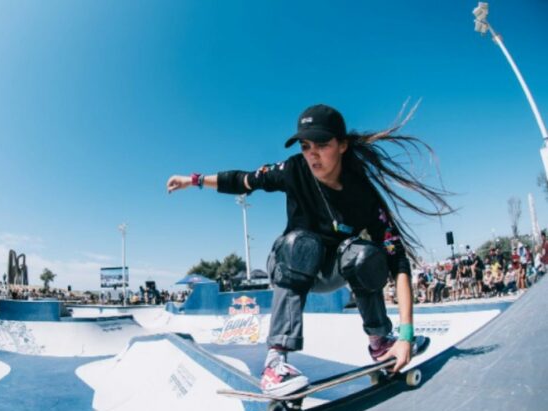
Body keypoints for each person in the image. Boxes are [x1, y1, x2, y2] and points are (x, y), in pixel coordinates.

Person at [167, 103, 453, 395]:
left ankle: (381, 343)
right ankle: (276, 360)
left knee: (366, 254)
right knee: (302, 243)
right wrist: (194, 180)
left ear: (342, 145)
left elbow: (398, 261)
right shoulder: (293, 169)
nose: (312, 154)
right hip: (290, 263)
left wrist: (406, 335)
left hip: (331, 272)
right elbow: (243, 180)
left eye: (321, 145)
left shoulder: (363, 194)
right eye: (305, 146)